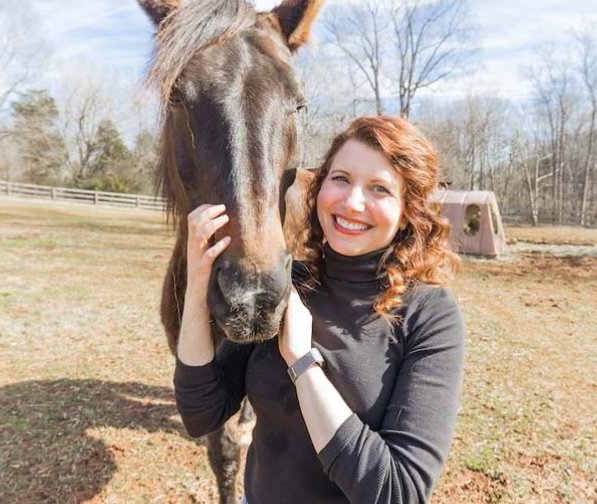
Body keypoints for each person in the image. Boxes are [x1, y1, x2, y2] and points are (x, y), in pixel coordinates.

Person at [174, 116, 465, 504]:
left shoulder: (430, 315)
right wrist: (197, 284)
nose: (352, 202)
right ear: (320, 186)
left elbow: (397, 491)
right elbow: (201, 412)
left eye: (379, 188)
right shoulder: (290, 283)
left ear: (408, 210)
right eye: (341, 178)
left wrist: (302, 364)